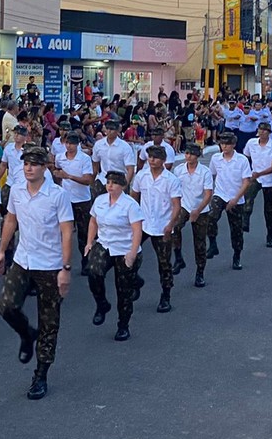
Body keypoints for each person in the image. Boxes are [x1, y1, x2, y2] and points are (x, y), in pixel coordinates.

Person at [0, 146, 73, 400]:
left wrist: (65, 268)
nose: (28, 168)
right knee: (6, 306)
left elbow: (66, 232)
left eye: (34, 164)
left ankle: (41, 375)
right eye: (26, 163)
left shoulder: (57, 195)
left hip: (50, 265)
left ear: (44, 168)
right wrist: (2, 251)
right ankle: (26, 333)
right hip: (23, 260)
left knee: (49, 323)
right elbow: (11, 220)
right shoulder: (17, 190)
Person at [85, 170, 144, 340]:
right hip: (105, 244)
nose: (110, 186)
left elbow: (137, 230)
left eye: (115, 183)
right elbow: (93, 221)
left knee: (123, 290)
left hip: (125, 247)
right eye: (108, 182)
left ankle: (123, 325)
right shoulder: (100, 200)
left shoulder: (130, 204)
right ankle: (102, 304)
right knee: (93, 272)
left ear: (123, 186)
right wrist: (89, 242)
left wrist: (132, 253)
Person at [130, 146, 182, 313]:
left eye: (156, 157)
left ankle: (166, 296)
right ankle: (135, 281)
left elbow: (176, 205)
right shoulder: (141, 176)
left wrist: (170, 225)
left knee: (164, 263)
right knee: (129, 254)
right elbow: (134, 197)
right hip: (143, 224)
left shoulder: (171, 180)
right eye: (150, 156)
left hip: (162, 226)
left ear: (163, 160)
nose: (152, 160)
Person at [208, 132, 253, 271]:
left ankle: (237, 256)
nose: (224, 146)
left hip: (236, 197)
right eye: (222, 144)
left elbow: (246, 182)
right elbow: (211, 175)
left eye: (227, 144)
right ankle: (213, 244)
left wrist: (236, 199)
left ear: (233, 144)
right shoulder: (216, 158)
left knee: (236, 230)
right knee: (210, 218)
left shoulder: (242, 160)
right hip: (220, 194)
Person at [171, 143, 214, 286]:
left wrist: (198, 210)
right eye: (187, 153)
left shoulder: (205, 172)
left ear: (197, 156)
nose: (188, 156)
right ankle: (178, 258)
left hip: (200, 208)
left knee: (199, 242)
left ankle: (200, 272)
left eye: (192, 154)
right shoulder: (179, 170)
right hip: (184, 205)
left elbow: (208, 194)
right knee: (174, 228)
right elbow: (174, 190)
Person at [52, 133, 94, 275]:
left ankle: (86, 262)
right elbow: (56, 171)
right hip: (65, 200)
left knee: (83, 233)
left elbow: (88, 180)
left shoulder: (84, 159)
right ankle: (60, 263)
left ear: (77, 145)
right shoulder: (60, 157)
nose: (69, 146)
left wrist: (69, 176)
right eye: (67, 143)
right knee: (62, 232)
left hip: (82, 199)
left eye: (72, 143)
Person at [243, 122, 272, 248]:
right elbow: (245, 157)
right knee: (247, 198)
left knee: (269, 209)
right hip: (255, 178)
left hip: (270, 180)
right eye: (260, 130)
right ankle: (245, 221)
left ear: (269, 133)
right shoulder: (251, 143)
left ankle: (270, 234)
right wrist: (247, 173)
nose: (262, 132)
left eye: (265, 130)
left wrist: (260, 173)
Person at [91, 119, 136, 198]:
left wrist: (125, 185)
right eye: (107, 128)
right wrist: (92, 181)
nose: (109, 131)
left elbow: (130, 169)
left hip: (120, 180)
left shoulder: (125, 147)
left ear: (117, 131)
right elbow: (95, 164)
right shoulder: (98, 145)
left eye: (112, 129)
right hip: (103, 179)